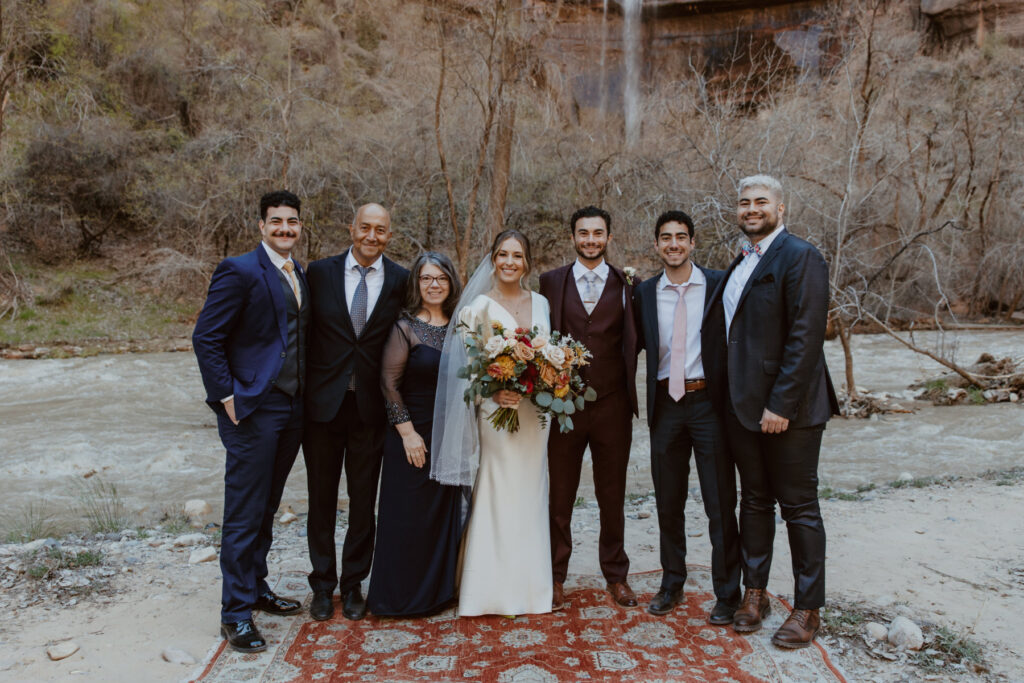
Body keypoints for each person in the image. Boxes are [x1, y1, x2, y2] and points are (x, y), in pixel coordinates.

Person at [707, 175, 839, 648]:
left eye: (761, 202)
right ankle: (755, 593)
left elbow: (805, 337)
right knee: (755, 501)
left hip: (792, 411)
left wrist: (780, 404)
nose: (751, 209)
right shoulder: (741, 259)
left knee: (800, 508)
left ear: (781, 209)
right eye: (744, 203)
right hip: (741, 408)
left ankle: (808, 609)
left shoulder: (801, 256)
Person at [192, 190, 308, 652]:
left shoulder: (299, 271)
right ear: (261, 226)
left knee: (266, 506)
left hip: (293, 409)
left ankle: (256, 588)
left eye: (292, 222)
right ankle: (235, 614)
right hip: (253, 409)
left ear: (300, 227)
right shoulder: (238, 270)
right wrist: (227, 397)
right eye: (276, 221)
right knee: (243, 513)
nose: (284, 228)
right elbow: (206, 337)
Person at [431, 229, 553, 617]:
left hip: (536, 415)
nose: (509, 262)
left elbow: (548, 355)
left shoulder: (543, 303)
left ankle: (532, 592)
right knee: (498, 490)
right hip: (497, 414)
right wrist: (493, 393)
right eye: (503, 255)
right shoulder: (477, 308)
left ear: (527, 262)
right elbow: (464, 371)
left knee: (531, 494)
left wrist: (552, 379)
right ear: (493, 259)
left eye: (517, 255)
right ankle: (486, 591)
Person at [632, 211, 742, 625]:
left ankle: (727, 593)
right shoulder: (643, 293)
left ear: (693, 243)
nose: (673, 244)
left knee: (719, 503)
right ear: (657, 245)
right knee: (668, 502)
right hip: (665, 406)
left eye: (681, 237)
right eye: (666, 237)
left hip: (708, 404)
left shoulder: (718, 284)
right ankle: (672, 583)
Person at [303, 203, 409, 622]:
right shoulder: (319, 272)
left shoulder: (400, 280)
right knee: (321, 500)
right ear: (351, 228)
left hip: (370, 408)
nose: (371, 236)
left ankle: (353, 585)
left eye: (380, 230)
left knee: (364, 503)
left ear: (389, 234)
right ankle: (322, 585)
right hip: (323, 406)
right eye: (364, 227)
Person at [538, 206, 639, 610]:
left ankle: (616, 576)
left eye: (598, 233)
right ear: (573, 237)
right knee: (559, 496)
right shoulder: (550, 282)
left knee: (612, 496)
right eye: (584, 233)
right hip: (564, 406)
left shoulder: (629, 284)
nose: (591, 240)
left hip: (613, 407)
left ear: (609, 237)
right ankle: (555, 576)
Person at [366, 252, 465, 616]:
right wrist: (408, 433)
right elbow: (389, 384)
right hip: (411, 435)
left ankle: (436, 594)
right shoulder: (404, 327)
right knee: (406, 517)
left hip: (448, 435)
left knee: (439, 517)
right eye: (426, 278)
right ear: (416, 284)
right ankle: (395, 598)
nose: (434, 284)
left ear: (451, 282)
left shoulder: (461, 325)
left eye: (441, 278)